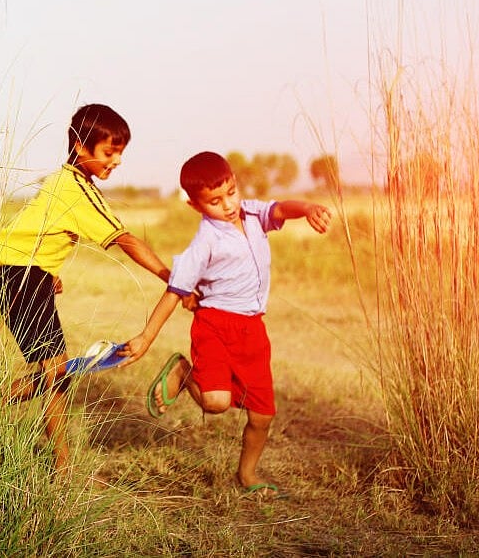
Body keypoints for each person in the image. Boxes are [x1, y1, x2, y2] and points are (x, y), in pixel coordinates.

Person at [118, 150, 332, 497]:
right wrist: (146, 337)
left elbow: (279, 209)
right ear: (195, 205)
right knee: (215, 403)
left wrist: (306, 209)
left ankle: (247, 474)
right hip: (215, 326)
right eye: (215, 201)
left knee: (262, 416)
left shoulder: (251, 213)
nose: (228, 204)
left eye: (231, 191)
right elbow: (175, 292)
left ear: (236, 183)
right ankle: (185, 372)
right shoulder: (205, 241)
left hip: (253, 331)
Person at [0, 103, 181, 472]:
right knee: (56, 369)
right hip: (21, 277)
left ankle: (61, 463)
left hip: (24, 275)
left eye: (121, 154)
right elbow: (125, 239)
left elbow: (32, 231)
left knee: (54, 371)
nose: (117, 161)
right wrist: (170, 277)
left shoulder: (62, 181)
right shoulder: (76, 189)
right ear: (81, 147)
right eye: (110, 153)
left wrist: (44, 270)